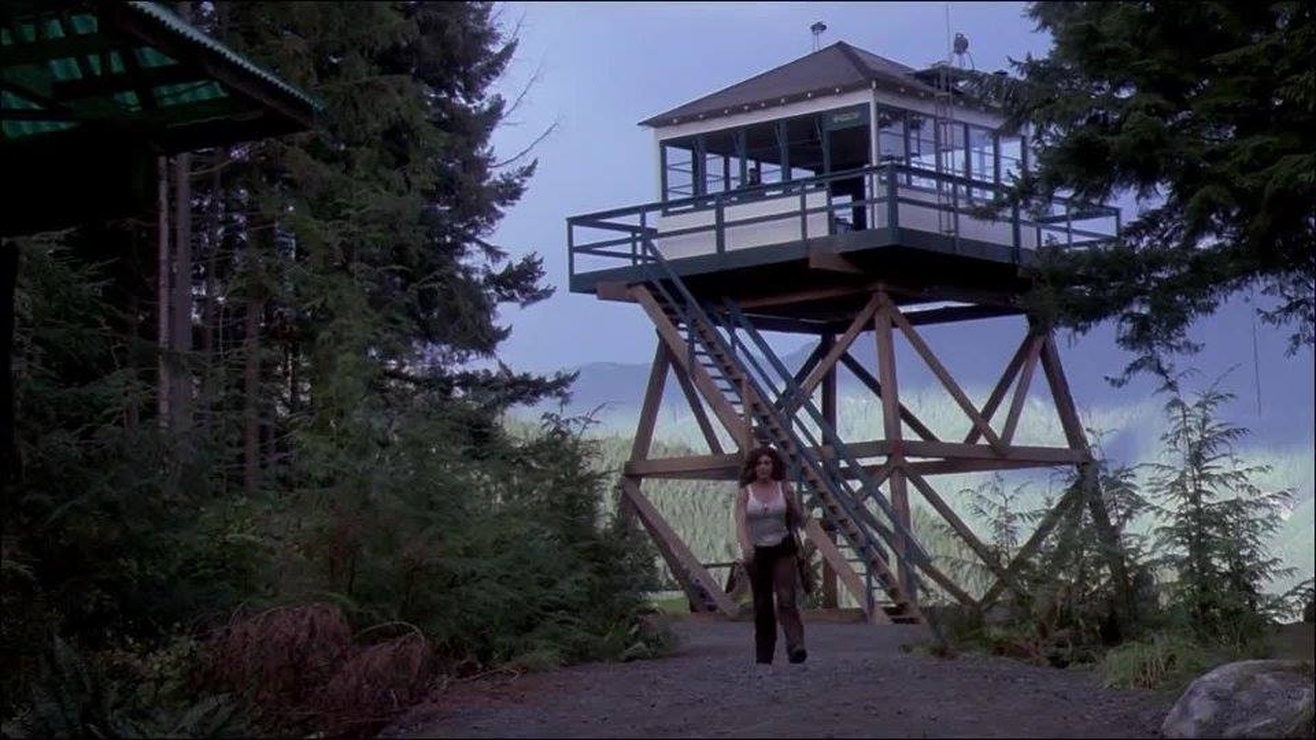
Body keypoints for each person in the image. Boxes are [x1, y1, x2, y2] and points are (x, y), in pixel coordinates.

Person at [734, 445, 808, 665]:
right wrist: (746, 546)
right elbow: (741, 522)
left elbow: (799, 520)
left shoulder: (783, 488)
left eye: (767, 463)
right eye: (759, 463)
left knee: (786, 598)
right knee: (763, 603)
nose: (763, 467)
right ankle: (764, 654)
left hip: (782, 547)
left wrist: (793, 502)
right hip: (757, 551)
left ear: (773, 466)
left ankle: (796, 645)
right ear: (753, 468)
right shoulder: (745, 493)